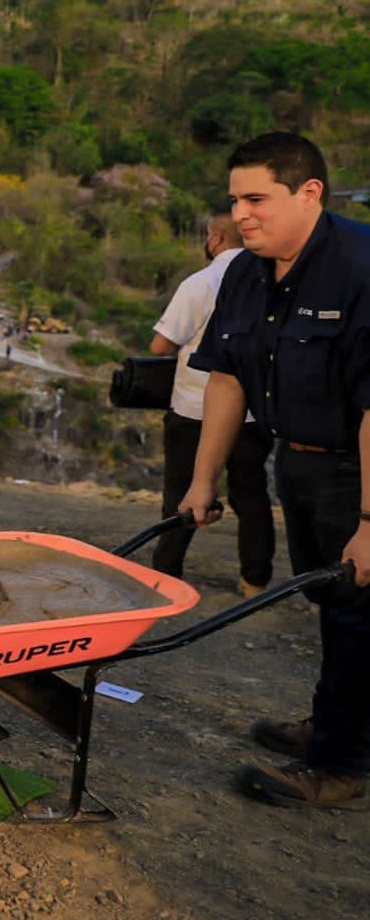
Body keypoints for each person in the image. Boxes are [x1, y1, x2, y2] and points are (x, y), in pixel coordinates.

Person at [180, 131, 370, 810]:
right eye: (234, 200)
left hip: (360, 468)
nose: (240, 215)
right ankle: (333, 723)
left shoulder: (358, 266)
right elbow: (226, 377)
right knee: (330, 606)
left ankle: (340, 764)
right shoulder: (242, 271)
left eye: (256, 198)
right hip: (298, 461)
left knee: (358, 611)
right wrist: (201, 480)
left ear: (308, 193)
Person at [150, 214, 274, 596]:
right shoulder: (270, 281)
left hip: (194, 409)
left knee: (180, 492)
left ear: (216, 238)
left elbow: (162, 346)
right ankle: (255, 580)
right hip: (253, 413)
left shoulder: (200, 283)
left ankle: (167, 575)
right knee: (251, 496)